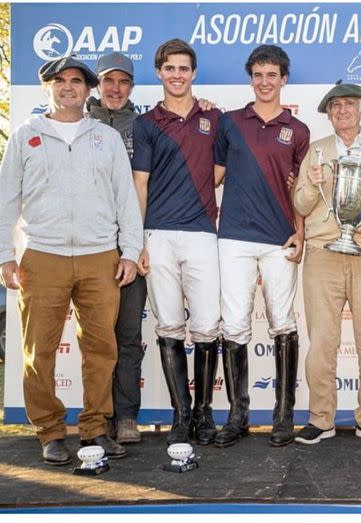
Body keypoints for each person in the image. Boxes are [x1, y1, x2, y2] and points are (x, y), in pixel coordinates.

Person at [0, 56, 142, 465]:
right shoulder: (26, 134)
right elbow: (7, 198)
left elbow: (125, 200)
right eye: (59, 81)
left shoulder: (106, 138)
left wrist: (130, 251)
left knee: (101, 348)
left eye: (76, 81)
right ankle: (50, 430)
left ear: (88, 90)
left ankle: (96, 427)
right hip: (42, 256)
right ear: (48, 88)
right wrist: (5, 255)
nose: (68, 87)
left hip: (101, 256)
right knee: (37, 350)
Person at [292, 82, 361, 445]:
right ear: (328, 112)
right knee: (322, 340)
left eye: (349, 104)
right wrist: (311, 183)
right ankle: (320, 417)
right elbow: (302, 206)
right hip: (323, 251)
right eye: (335, 105)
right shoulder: (317, 151)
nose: (342, 110)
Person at [213, 45, 308, 448]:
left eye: (272, 75)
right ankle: (238, 416)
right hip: (233, 236)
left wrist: (300, 232)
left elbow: (303, 191)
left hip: (279, 239)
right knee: (233, 325)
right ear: (250, 79)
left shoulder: (298, 130)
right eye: (258, 75)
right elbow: (214, 176)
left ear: (284, 79)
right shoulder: (228, 123)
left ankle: (283, 417)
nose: (265, 82)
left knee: (282, 323)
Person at [132, 39, 222, 446]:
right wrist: (138, 242)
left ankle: (204, 414)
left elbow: (219, 170)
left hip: (203, 232)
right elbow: (140, 183)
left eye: (184, 68)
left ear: (193, 73)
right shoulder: (147, 123)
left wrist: (196, 189)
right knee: (169, 326)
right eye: (169, 68)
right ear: (159, 72)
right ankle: (181, 415)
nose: (177, 75)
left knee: (205, 327)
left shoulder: (214, 118)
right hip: (159, 235)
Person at [86, 51, 147, 445]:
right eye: (109, 80)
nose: (116, 89)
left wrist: (136, 244)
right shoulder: (78, 122)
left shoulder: (143, 125)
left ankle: (125, 417)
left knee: (127, 335)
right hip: (89, 246)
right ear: (97, 83)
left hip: (130, 245)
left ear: (131, 87)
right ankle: (98, 417)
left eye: (123, 82)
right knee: (96, 338)